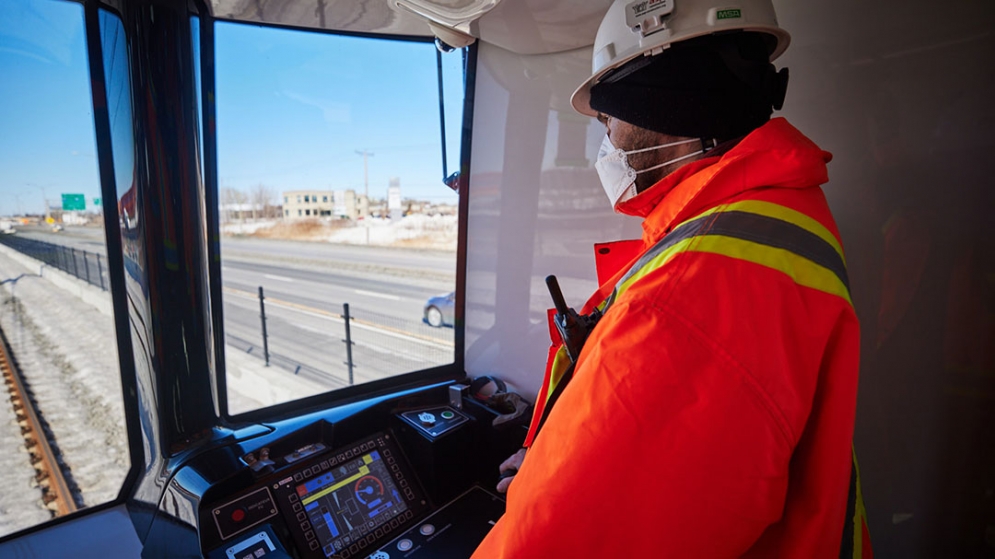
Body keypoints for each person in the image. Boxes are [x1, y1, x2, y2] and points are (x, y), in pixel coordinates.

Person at [472, 1, 872, 557]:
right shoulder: (780, 211)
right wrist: (551, 469)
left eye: (609, 118)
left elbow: (565, 543)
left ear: (662, 102)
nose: (605, 139)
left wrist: (542, 498)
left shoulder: (684, 297)